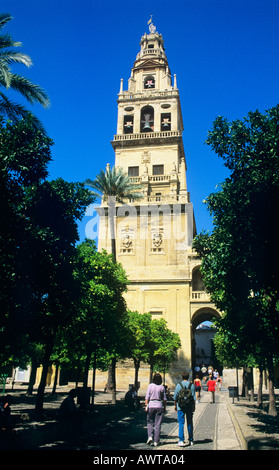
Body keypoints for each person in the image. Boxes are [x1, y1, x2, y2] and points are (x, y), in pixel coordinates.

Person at [173, 372, 195, 447]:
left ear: (182, 377)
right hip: (189, 406)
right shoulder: (191, 385)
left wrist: (175, 406)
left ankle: (181, 440)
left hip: (180, 406)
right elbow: (193, 398)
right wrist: (193, 407)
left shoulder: (179, 385)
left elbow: (175, 397)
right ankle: (191, 440)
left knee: (181, 423)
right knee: (189, 423)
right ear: (188, 377)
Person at [145, 373, 167, 447]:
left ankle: (150, 436)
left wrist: (146, 405)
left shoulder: (150, 386)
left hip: (151, 405)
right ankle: (156, 441)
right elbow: (164, 399)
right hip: (159, 405)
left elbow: (147, 397)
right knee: (158, 424)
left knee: (149, 422)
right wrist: (165, 407)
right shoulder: (162, 387)